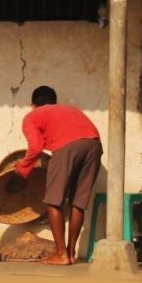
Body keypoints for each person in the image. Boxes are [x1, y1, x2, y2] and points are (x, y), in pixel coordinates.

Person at [14, 85, 103, 266]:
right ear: (54, 101)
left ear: (33, 105)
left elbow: (36, 146)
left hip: (68, 147)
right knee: (78, 202)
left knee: (54, 201)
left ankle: (61, 254)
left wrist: (23, 169)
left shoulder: (32, 116)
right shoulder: (71, 110)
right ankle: (70, 253)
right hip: (94, 145)